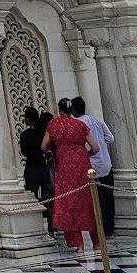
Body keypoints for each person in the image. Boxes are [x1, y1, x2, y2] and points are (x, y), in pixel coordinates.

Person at [43, 98, 99, 253]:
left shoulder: (54, 124)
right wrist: (86, 154)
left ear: (60, 109)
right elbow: (95, 147)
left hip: (65, 166)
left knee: (70, 204)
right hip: (83, 165)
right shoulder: (80, 125)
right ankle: (96, 242)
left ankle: (79, 245)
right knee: (88, 201)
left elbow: (43, 145)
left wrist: (53, 151)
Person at [72, 96, 115, 237]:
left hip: (90, 166)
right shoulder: (97, 120)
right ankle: (110, 229)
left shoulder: (76, 124)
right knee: (108, 198)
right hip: (105, 164)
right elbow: (110, 138)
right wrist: (101, 144)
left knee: (96, 200)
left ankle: (99, 230)